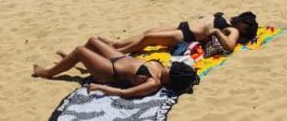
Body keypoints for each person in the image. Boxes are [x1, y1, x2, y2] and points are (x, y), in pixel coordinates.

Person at [32, 36, 199, 99]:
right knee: (93, 41)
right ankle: (71, 60)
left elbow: (124, 93)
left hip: (109, 72)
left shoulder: (153, 82)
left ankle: (47, 73)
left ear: (171, 76)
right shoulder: (160, 67)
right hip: (119, 58)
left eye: (172, 68)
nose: (170, 65)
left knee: (80, 51)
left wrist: (100, 87)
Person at [111, 11, 259, 57]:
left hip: (186, 35)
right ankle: (116, 44)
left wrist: (216, 32)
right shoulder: (229, 19)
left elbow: (230, 46)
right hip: (183, 25)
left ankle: (118, 52)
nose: (243, 27)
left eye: (246, 28)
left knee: (149, 39)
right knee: (148, 33)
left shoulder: (233, 30)